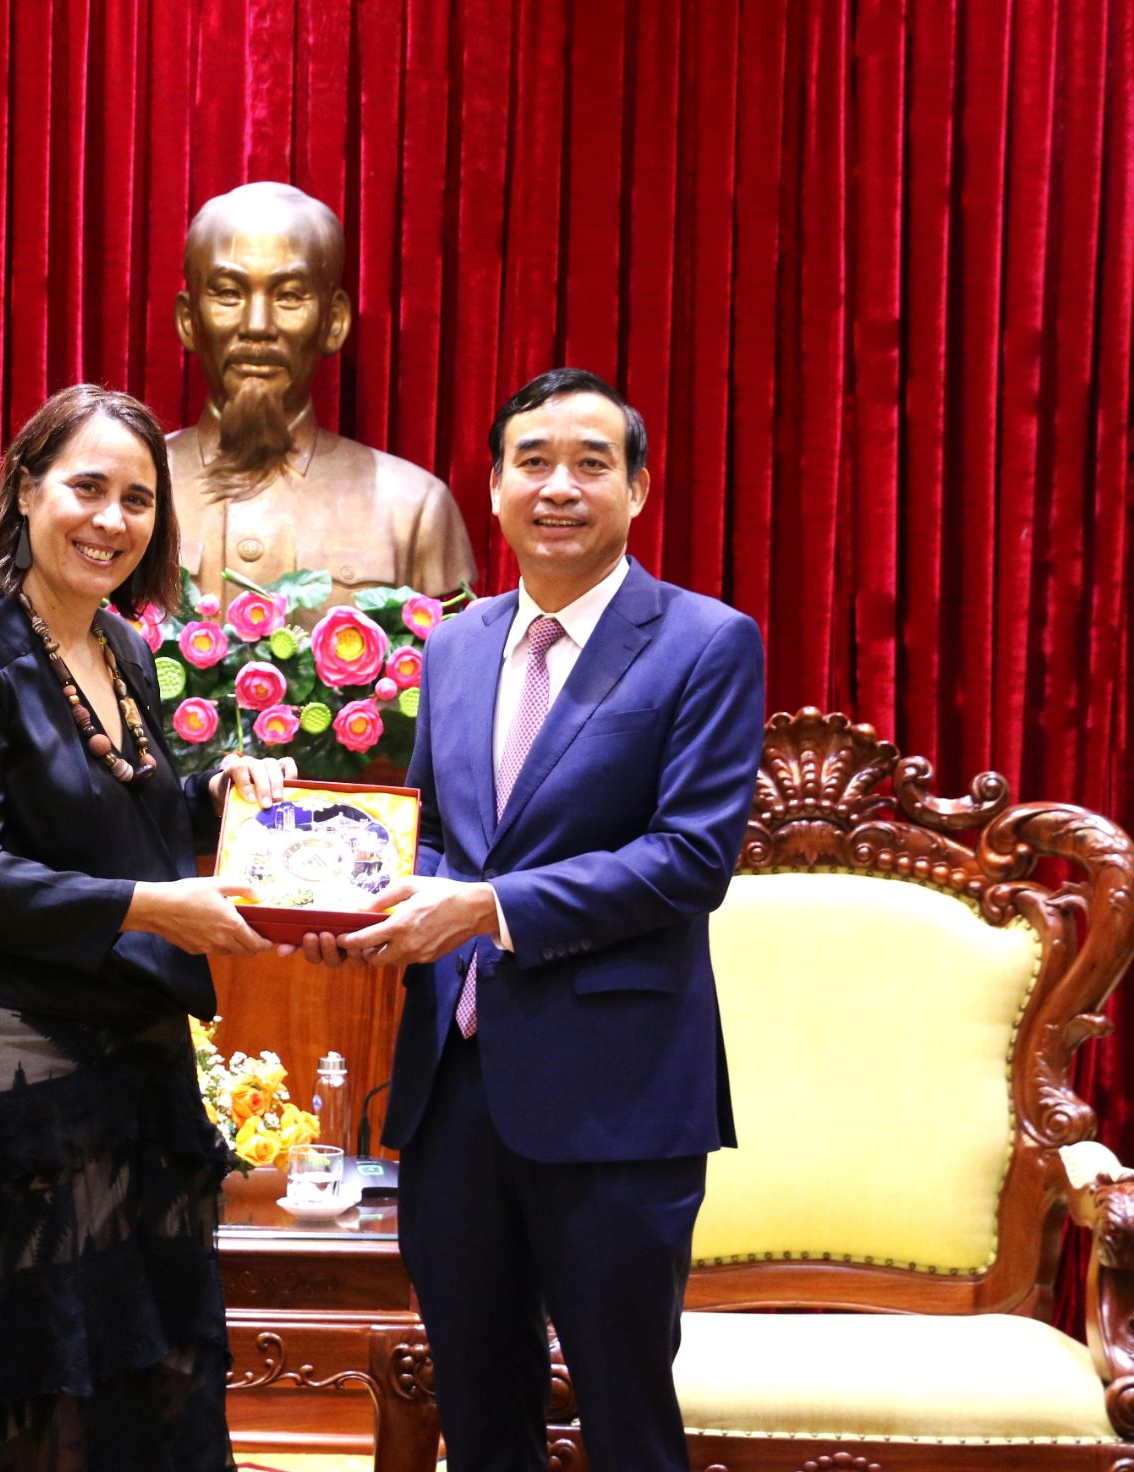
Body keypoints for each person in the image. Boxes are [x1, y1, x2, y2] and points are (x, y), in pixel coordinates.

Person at [305, 368, 765, 1471]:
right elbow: (429, 839)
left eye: (589, 463)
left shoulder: (703, 642)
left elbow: (686, 858)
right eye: (531, 462)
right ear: (495, 487)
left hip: (616, 1096)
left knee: (623, 1411)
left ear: (638, 489)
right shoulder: (455, 644)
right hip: (450, 1087)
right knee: (478, 1407)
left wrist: (489, 905)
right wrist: (338, 889)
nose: (557, 486)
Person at [0, 384, 294, 1471]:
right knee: (17, 1407)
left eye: (138, 497)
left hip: (124, 1075)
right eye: (85, 486)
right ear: (25, 491)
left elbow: (103, 824)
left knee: (131, 1394)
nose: (110, 518)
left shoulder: (120, 650)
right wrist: (148, 905)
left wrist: (213, 800)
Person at [168, 182, 476, 615]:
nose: (258, 326)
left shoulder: (414, 510)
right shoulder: (126, 494)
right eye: (229, 294)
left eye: (289, 296)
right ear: (188, 320)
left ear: (333, 322)